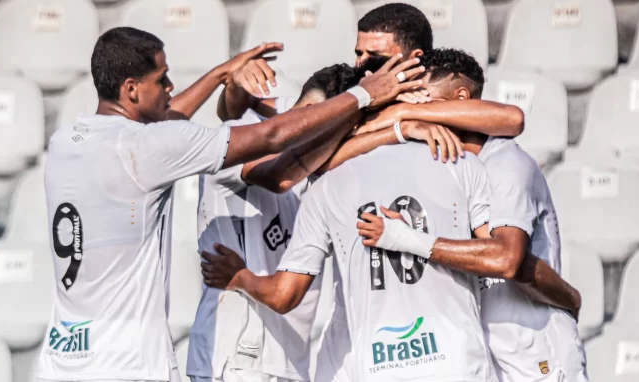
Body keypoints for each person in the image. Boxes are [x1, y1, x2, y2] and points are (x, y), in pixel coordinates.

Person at [37, 26, 423, 382]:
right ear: (132, 89)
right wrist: (367, 99)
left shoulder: (67, 140)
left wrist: (222, 74)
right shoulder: (148, 148)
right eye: (162, 80)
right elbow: (274, 145)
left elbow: (162, 126)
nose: (171, 87)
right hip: (127, 365)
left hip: (61, 360)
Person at [200, 107, 501, 381]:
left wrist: (240, 277)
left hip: (375, 364)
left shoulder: (326, 188)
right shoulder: (459, 162)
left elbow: (285, 294)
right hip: (455, 362)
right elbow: (498, 262)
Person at [357, 49, 588, 381]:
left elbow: (507, 260)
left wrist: (406, 239)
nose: (416, 115)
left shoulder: (507, 164)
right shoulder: (444, 171)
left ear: (461, 98)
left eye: (423, 99)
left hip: (537, 356)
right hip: (477, 359)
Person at [217, 3, 438, 122]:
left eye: (374, 54)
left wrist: (406, 113)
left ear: (415, 58)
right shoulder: (339, 90)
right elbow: (237, 112)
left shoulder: (440, 99)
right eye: (359, 53)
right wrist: (236, 85)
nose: (361, 62)